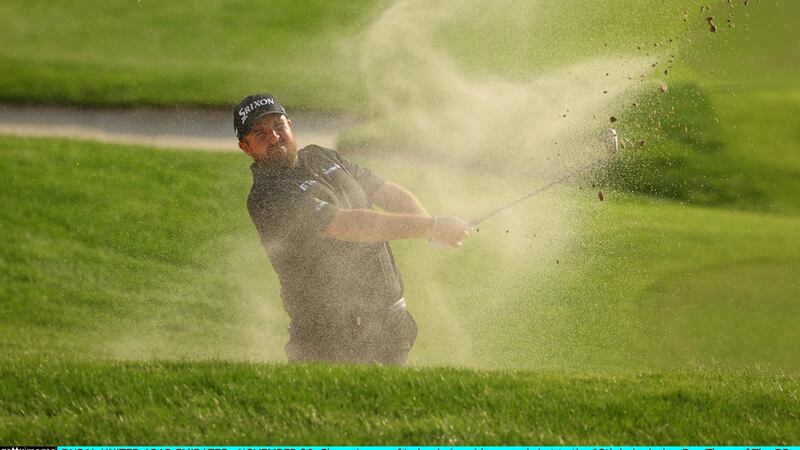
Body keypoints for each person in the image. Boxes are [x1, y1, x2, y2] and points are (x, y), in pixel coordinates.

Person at [233, 93, 472, 365]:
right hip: (331, 340)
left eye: (278, 126)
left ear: (290, 124)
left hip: (389, 328)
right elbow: (350, 225)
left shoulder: (320, 156)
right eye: (260, 133)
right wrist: (431, 226)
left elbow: (384, 191)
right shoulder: (268, 197)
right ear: (246, 146)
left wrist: (428, 222)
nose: (274, 137)